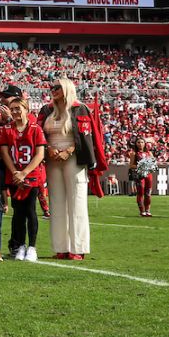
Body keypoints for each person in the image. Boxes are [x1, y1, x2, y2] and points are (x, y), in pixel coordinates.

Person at [38, 77, 107, 260]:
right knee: (57, 202)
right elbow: (38, 133)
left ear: (67, 89)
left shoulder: (79, 108)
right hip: (52, 159)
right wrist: (49, 149)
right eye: (52, 87)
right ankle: (61, 247)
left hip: (74, 159)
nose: (54, 90)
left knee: (76, 203)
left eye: (58, 87)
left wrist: (69, 150)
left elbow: (85, 136)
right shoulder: (46, 110)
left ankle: (78, 248)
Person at [0, 96, 46, 261]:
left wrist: (24, 173)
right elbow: (4, 152)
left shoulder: (35, 129)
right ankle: (20, 246)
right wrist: (16, 172)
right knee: (18, 212)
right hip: (14, 176)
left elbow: (40, 154)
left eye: (19, 108)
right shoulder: (6, 129)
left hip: (31, 176)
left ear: (27, 109)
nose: (16, 111)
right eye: (13, 108)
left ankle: (32, 247)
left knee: (30, 210)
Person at [128, 138, 156, 216]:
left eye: (142, 142)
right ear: (136, 144)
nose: (140, 144)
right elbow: (131, 165)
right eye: (138, 142)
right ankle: (142, 211)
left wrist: (150, 166)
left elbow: (154, 164)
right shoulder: (134, 153)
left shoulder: (149, 153)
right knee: (140, 193)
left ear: (145, 143)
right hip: (140, 175)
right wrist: (140, 166)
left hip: (148, 175)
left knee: (148, 193)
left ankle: (148, 210)